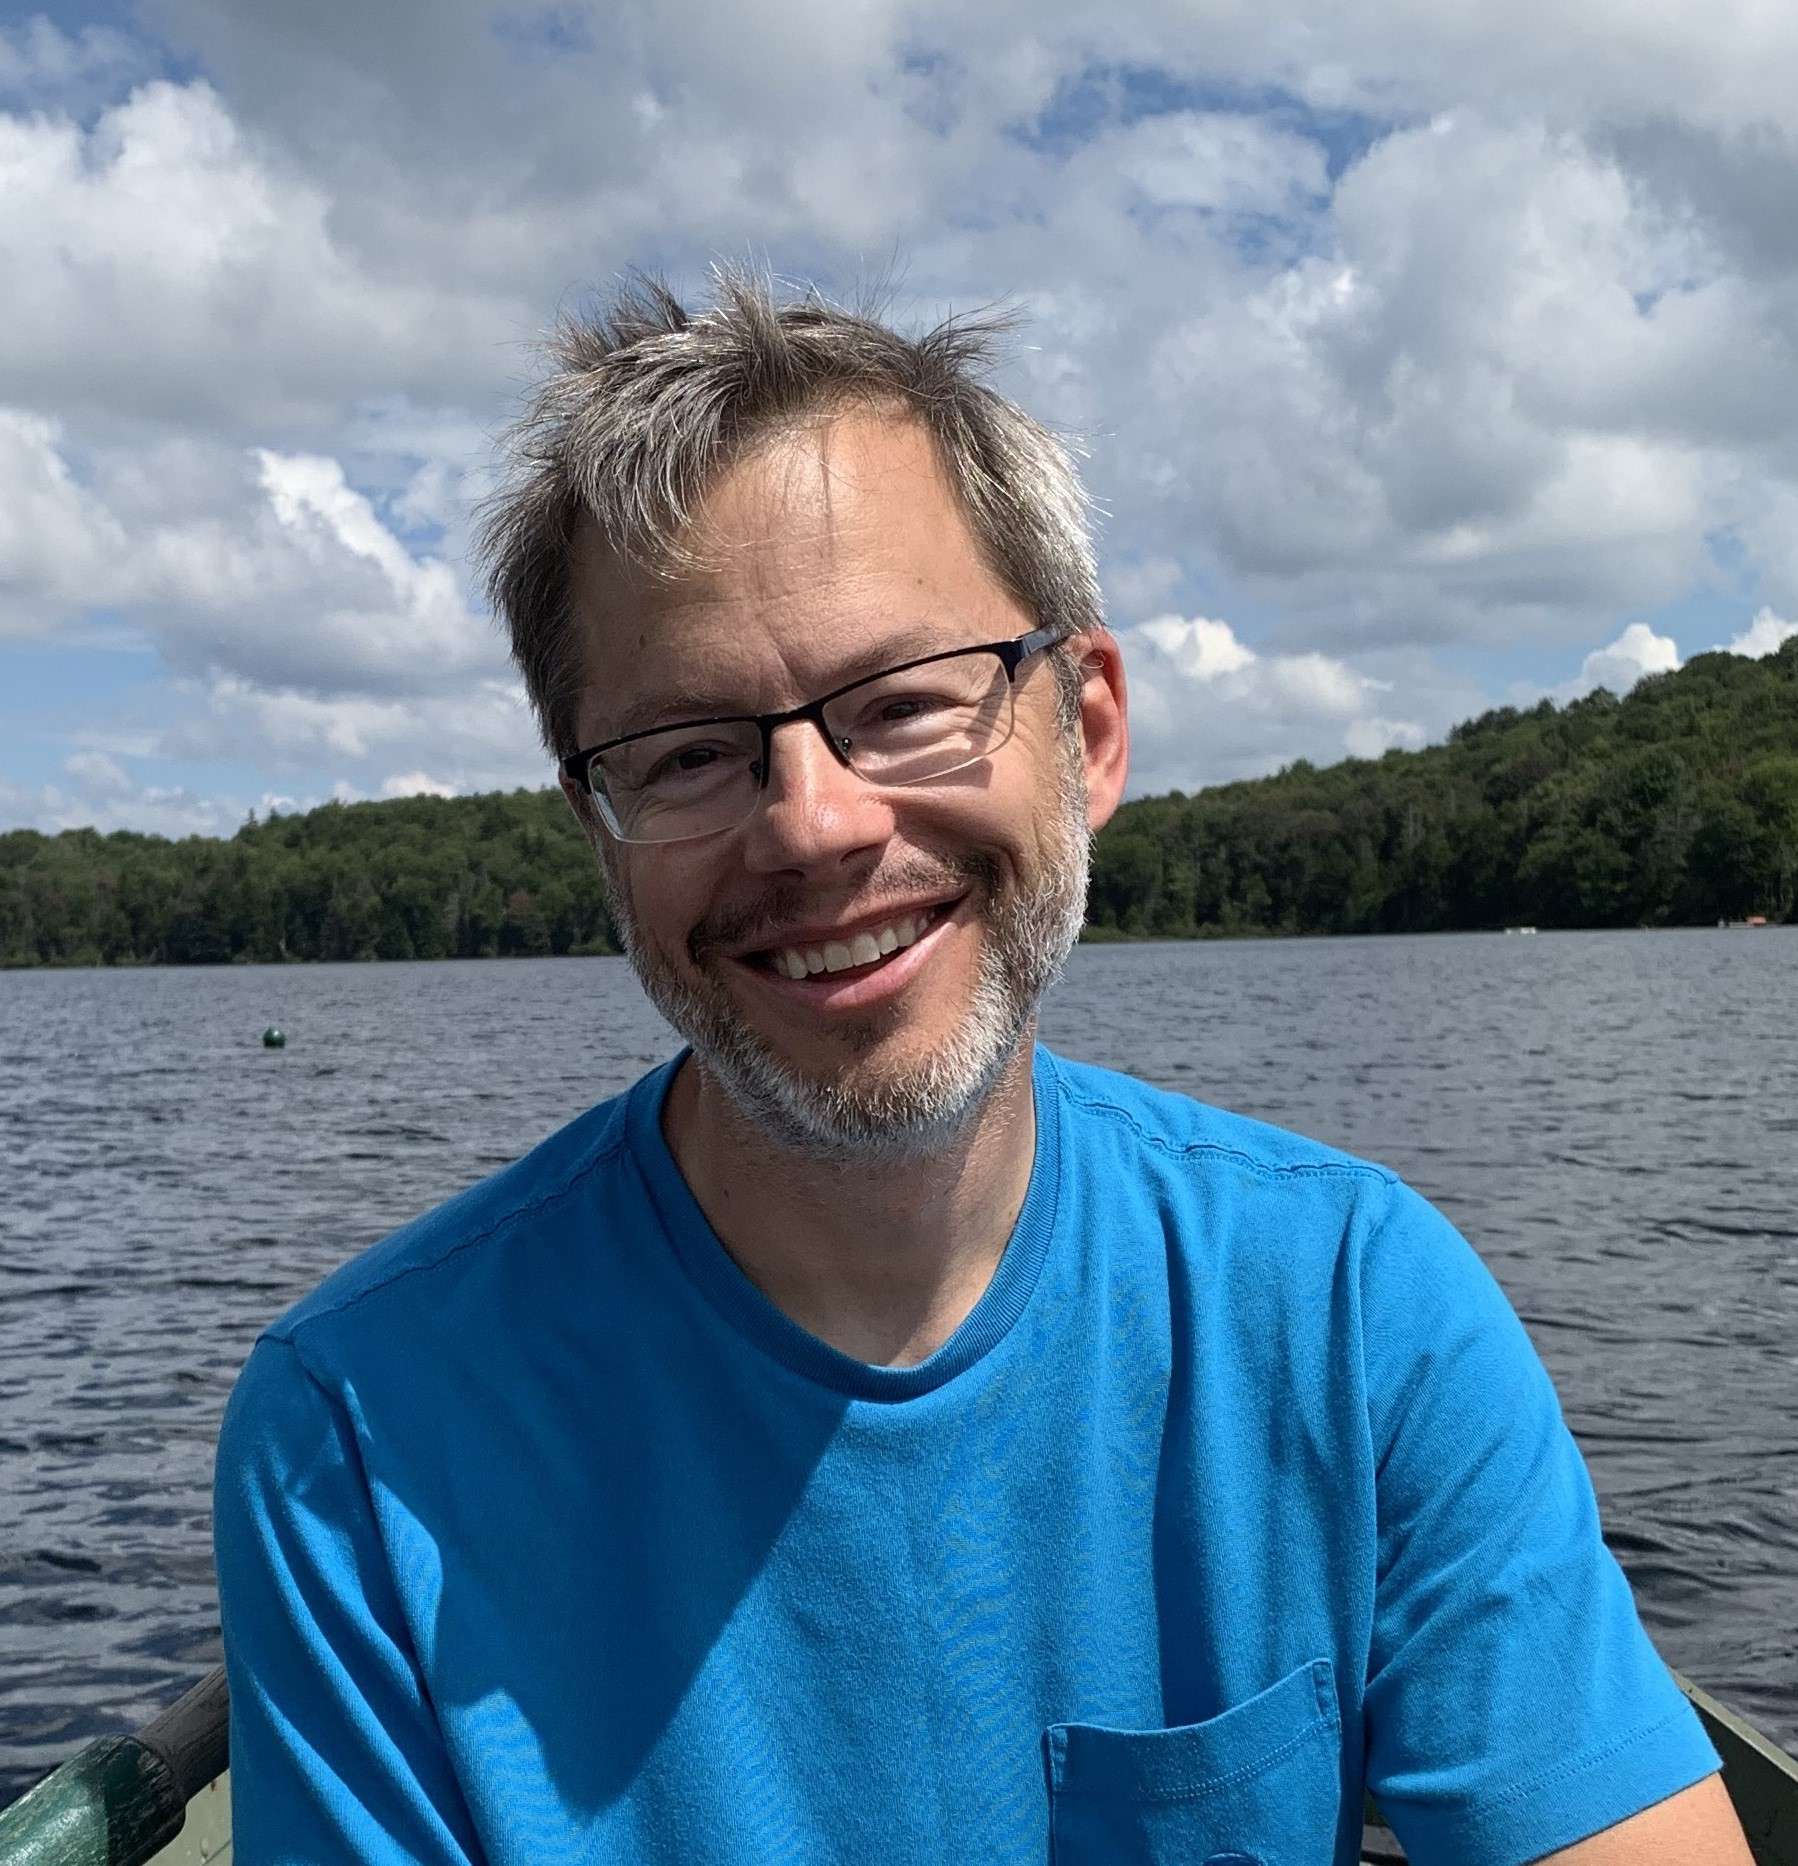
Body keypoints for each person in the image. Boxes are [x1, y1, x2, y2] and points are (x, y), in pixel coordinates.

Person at [212, 269, 1753, 1866]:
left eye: (902, 703)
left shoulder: (1352, 1309)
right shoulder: (361, 1442)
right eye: (684, 752)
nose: (811, 821)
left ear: (1083, 731)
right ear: (597, 833)